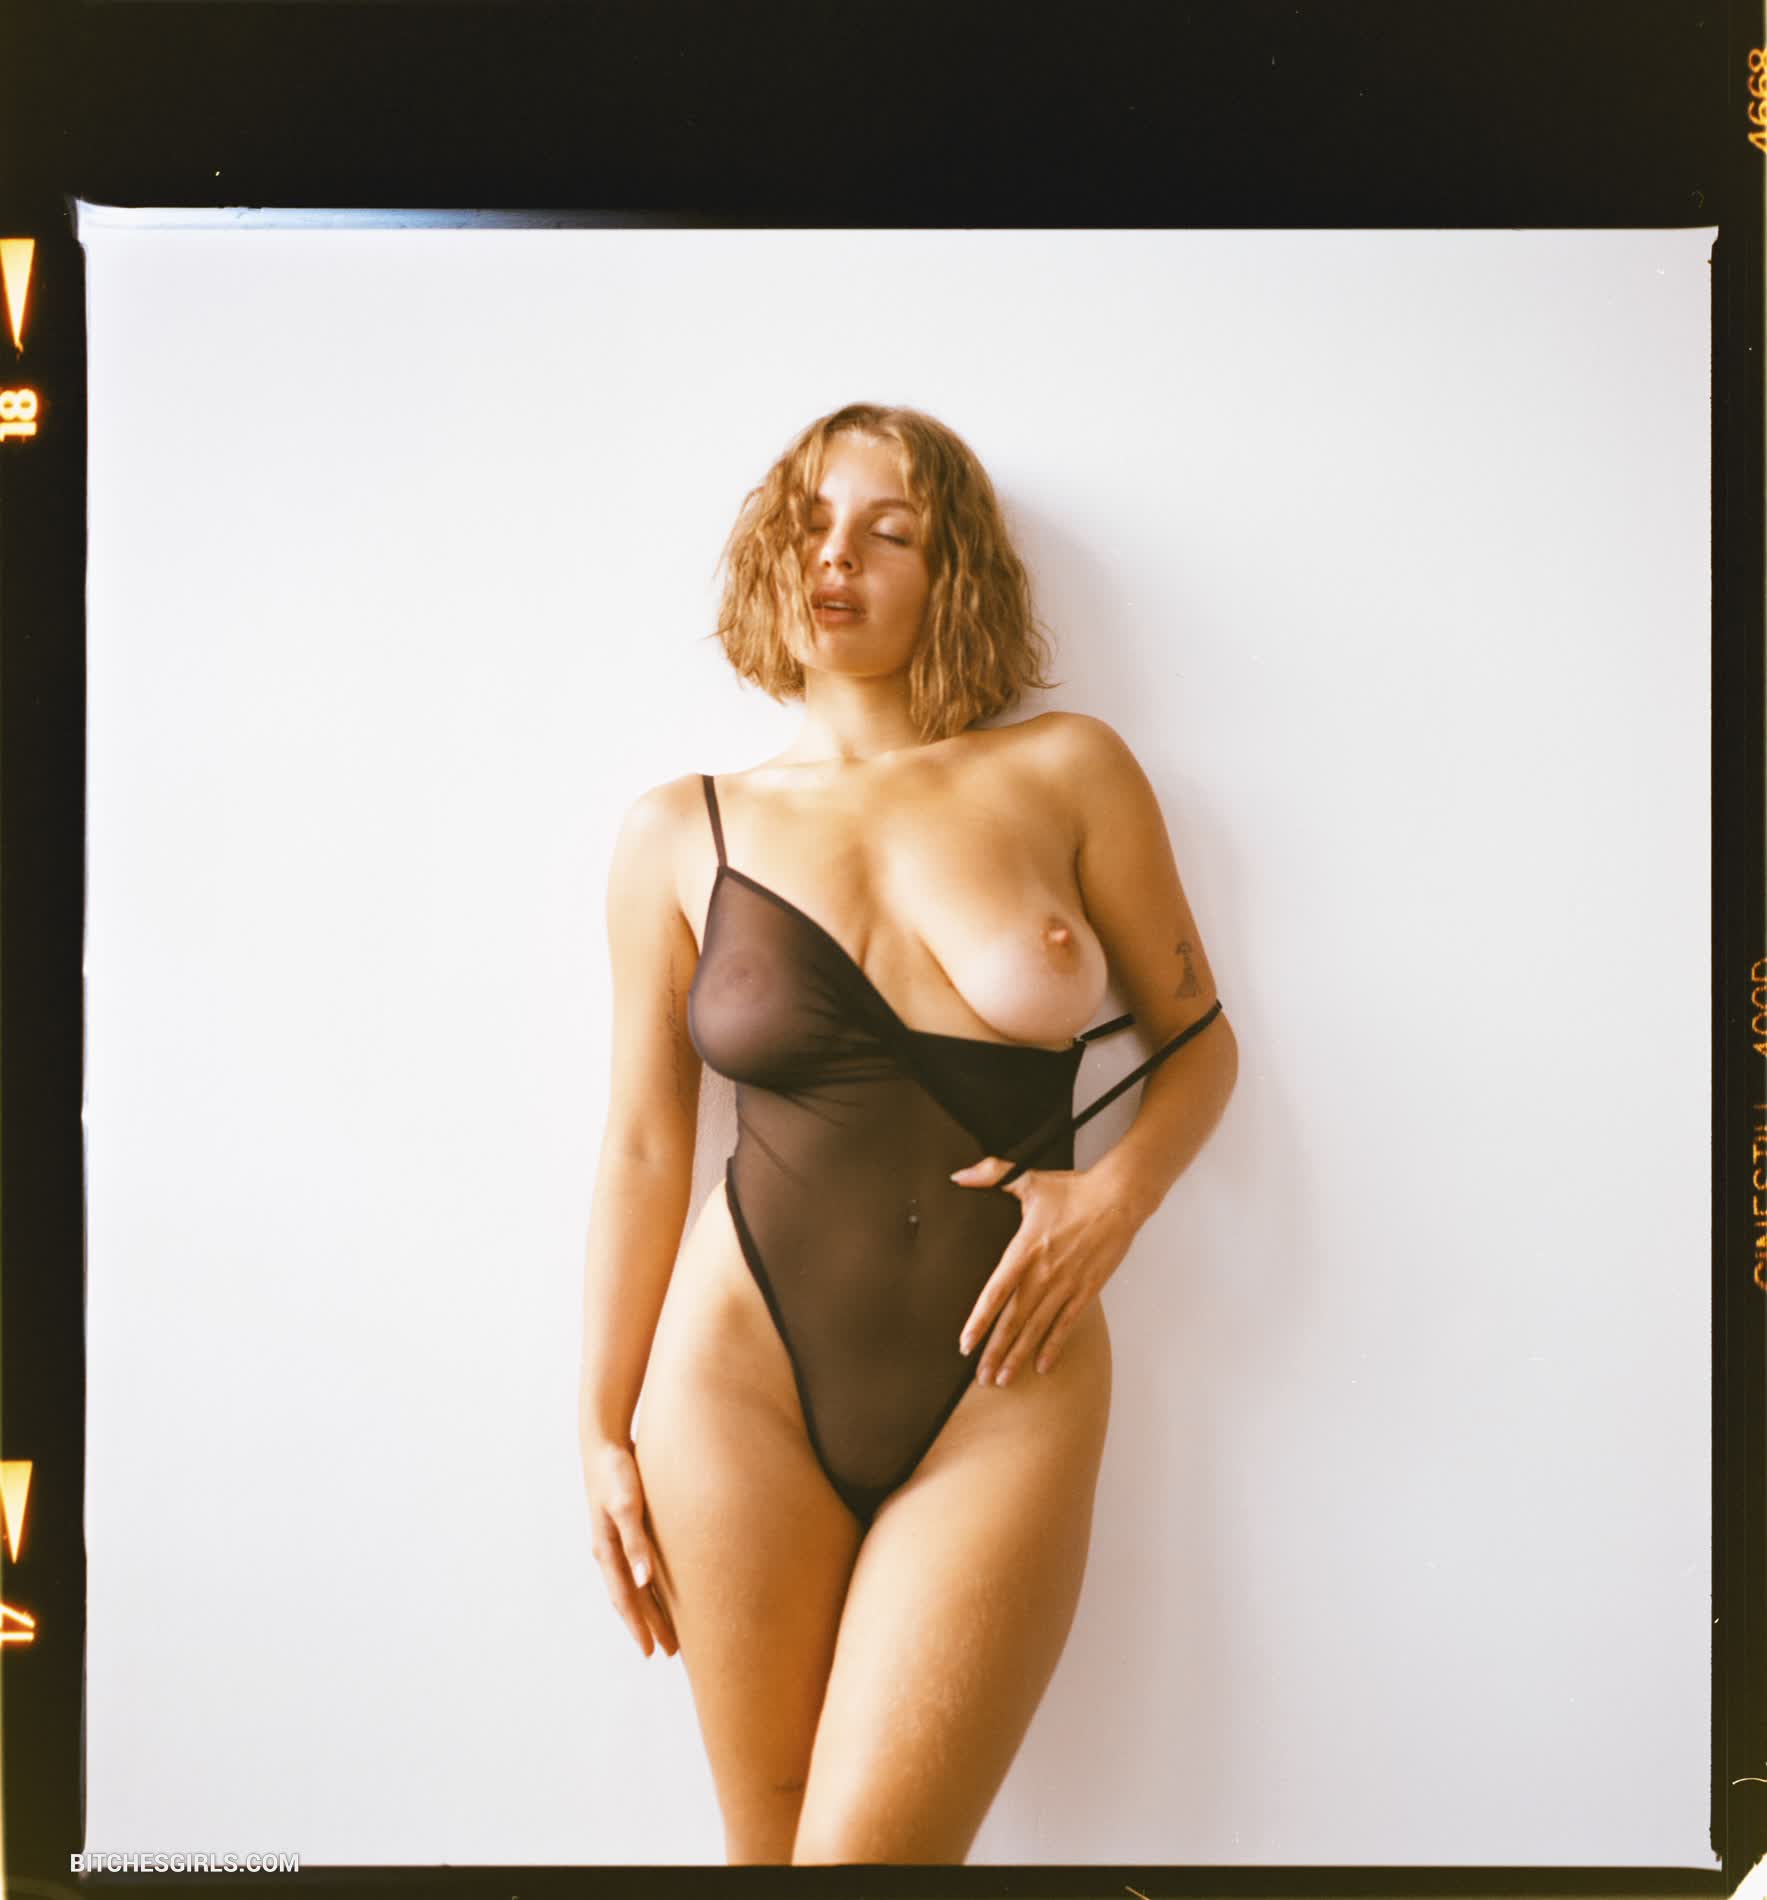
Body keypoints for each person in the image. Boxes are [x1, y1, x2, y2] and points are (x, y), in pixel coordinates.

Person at [577, 402, 1237, 1865]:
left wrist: (1114, 1197)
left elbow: (1198, 1043)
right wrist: (600, 1429)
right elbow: (642, 1146)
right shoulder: (680, 830)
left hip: (1009, 1372)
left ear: (955, 578)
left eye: (890, 533)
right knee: (766, 1855)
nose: (839, 557)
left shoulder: (1069, 770)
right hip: (736, 1377)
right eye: (811, 525)